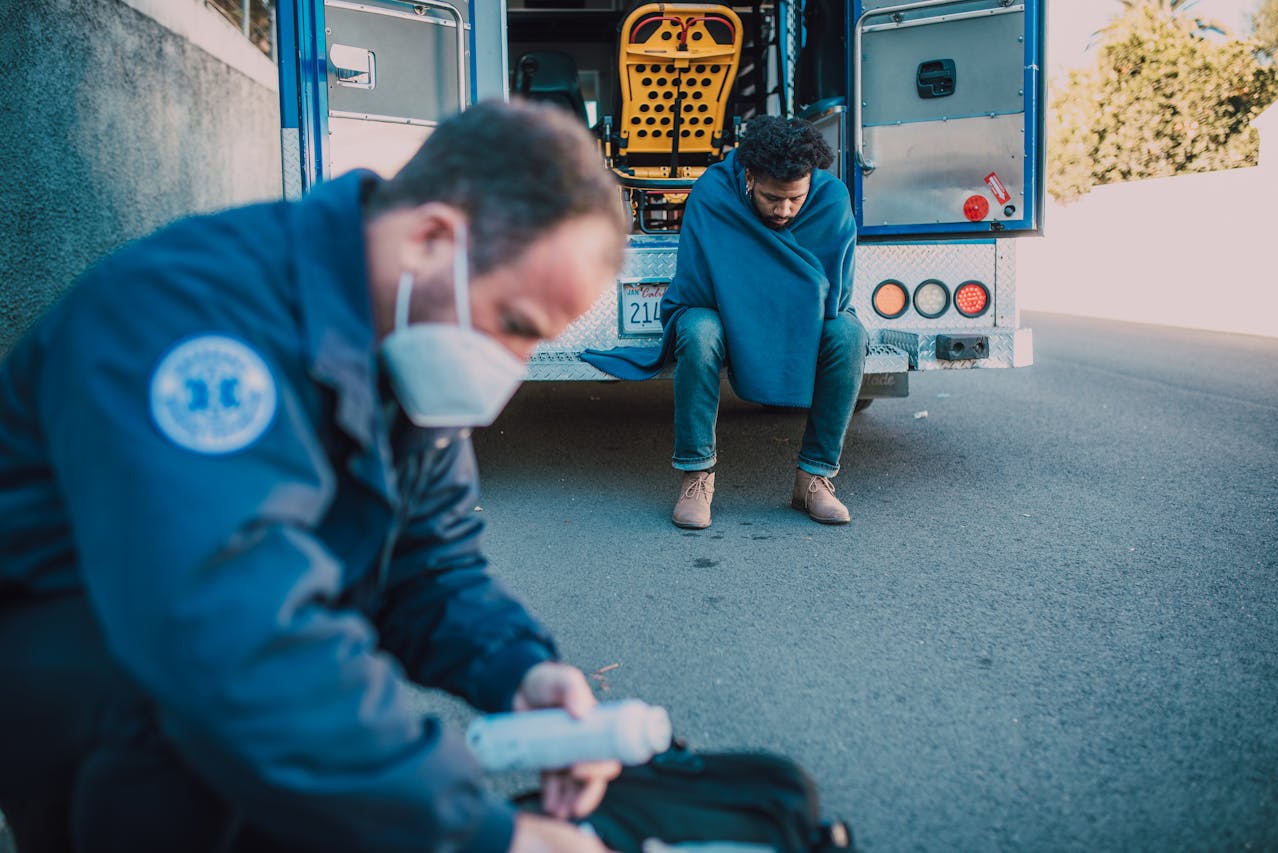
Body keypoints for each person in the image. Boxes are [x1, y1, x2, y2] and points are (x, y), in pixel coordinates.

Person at [0, 99, 628, 852]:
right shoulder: (190, 319)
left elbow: (429, 561)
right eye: (517, 325)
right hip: (106, 702)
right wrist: (485, 830)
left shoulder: (409, 338)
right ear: (431, 238)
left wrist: (520, 671)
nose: (514, 368)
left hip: (227, 701)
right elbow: (227, 629)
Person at [583, 116, 867, 529]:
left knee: (848, 332)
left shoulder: (831, 199)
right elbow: (699, 287)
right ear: (749, 177)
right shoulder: (715, 192)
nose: (784, 210)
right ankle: (697, 475)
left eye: (795, 198)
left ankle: (814, 477)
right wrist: (766, 300)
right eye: (772, 197)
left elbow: (835, 296)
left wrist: (767, 293)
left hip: (800, 318)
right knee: (698, 330)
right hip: (724, 311)